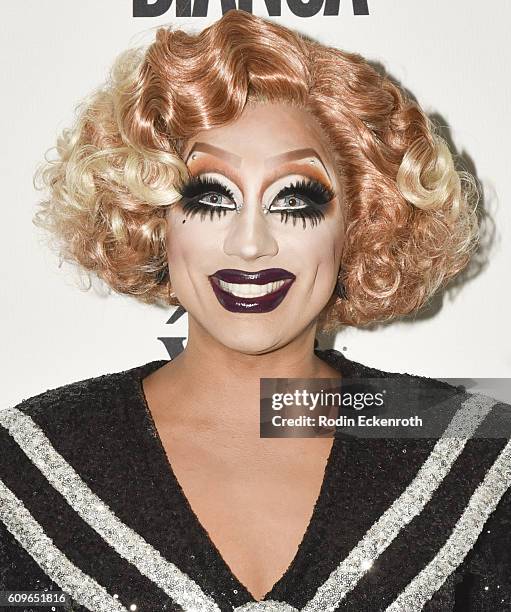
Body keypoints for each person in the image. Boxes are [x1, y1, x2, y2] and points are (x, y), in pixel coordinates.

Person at [0, 10, 509, 612]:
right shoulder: (31, 464)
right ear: (151, 217)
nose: (250, 244)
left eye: (295, 199)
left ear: (363, 222)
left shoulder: (471, 455)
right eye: (210, 196)